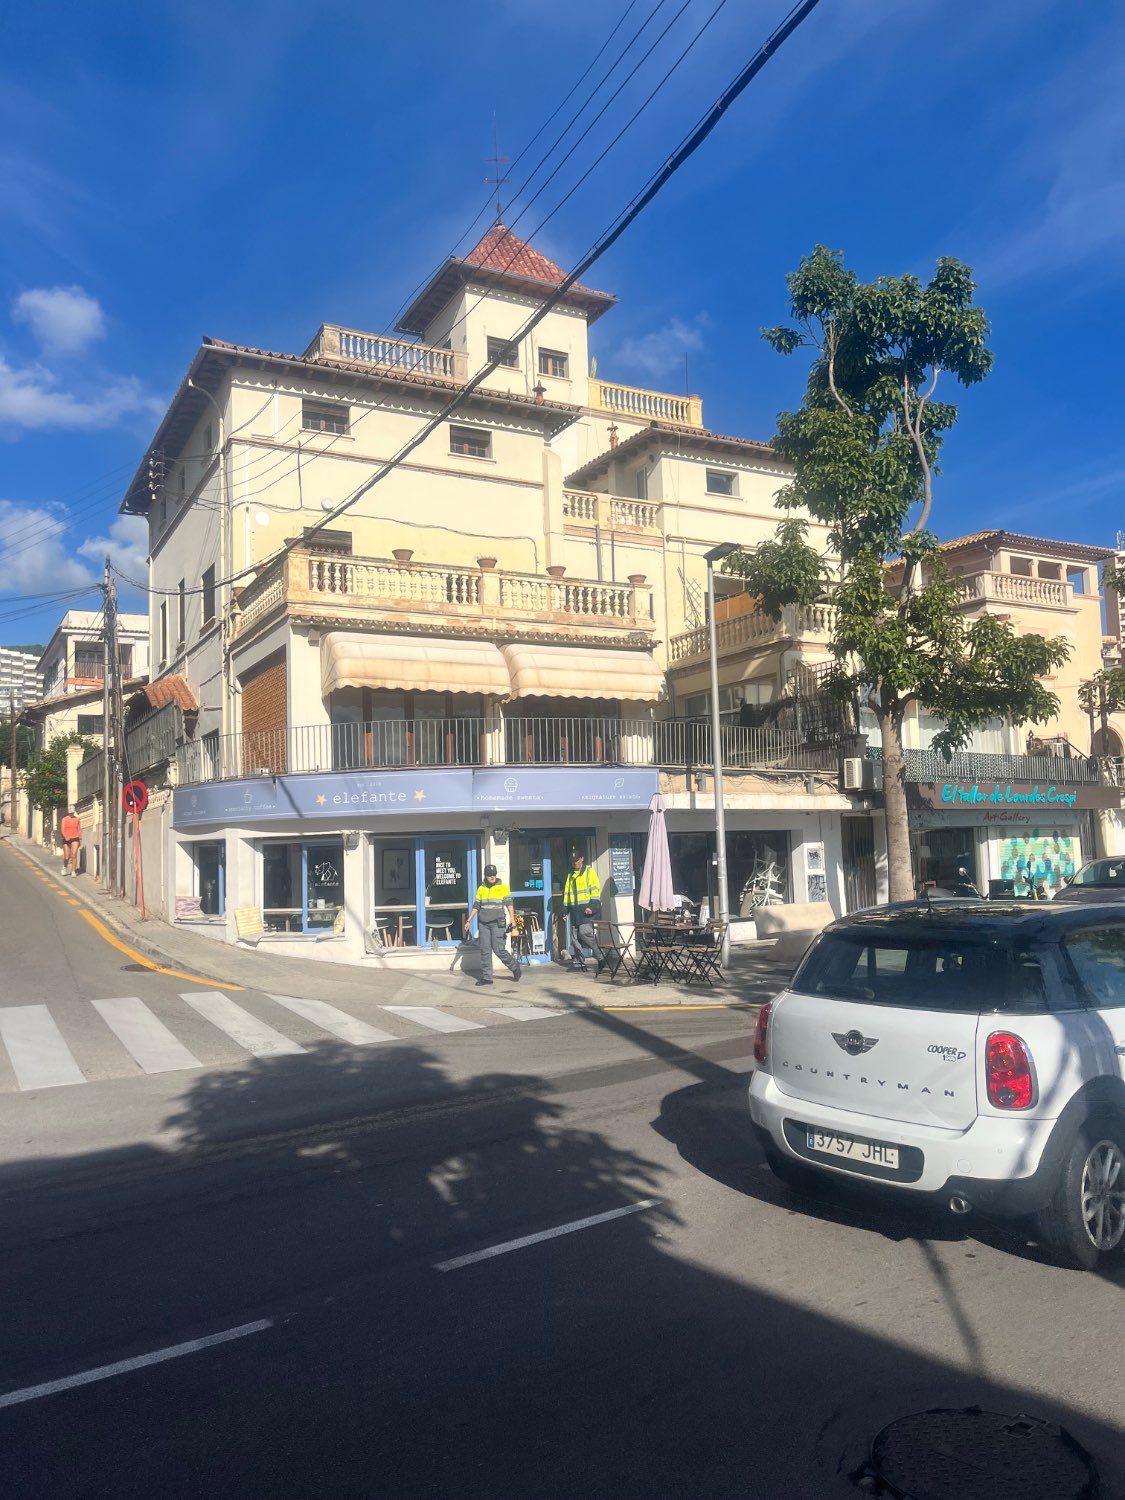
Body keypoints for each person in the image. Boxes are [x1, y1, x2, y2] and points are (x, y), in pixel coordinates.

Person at [465, 864, 521, 986]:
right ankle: (487, 977)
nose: (492, 877)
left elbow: (509, 904)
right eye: (490, 875)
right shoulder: (481, 888)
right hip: (483, 923)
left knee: (499, 950)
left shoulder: (503, 887)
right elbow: (476, 906)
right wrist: (469, 920)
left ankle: (515, 966)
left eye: (494, 874)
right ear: (485, 876)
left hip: (497, 923)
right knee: (485, 950)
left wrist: (512, 919)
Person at [563, 852, 604, 973]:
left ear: (582, 858)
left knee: (584, 933)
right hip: (575, 911)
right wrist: (565, 911)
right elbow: (567, 895)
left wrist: (592, 906)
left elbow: (595, 890)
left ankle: (600, 957)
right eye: (573, 861)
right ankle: (579, 962)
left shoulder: (589, 872)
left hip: (587, 911)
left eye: (577, 860)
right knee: (574, 937)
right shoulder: (570, 876)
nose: (575, 863)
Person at [60, 808, 81, 877]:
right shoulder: (64, 819)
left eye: (73, 813)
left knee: (74, 854)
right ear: (68, 812)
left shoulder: (77, 819)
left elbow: (79, 829)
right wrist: (65, 836)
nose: (72, 814)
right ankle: (65, 867)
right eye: (70, 813)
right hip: (66, 838)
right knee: (67, 856)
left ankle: (73, 871)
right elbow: (62, 829)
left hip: (75, 838)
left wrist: (80, 839)